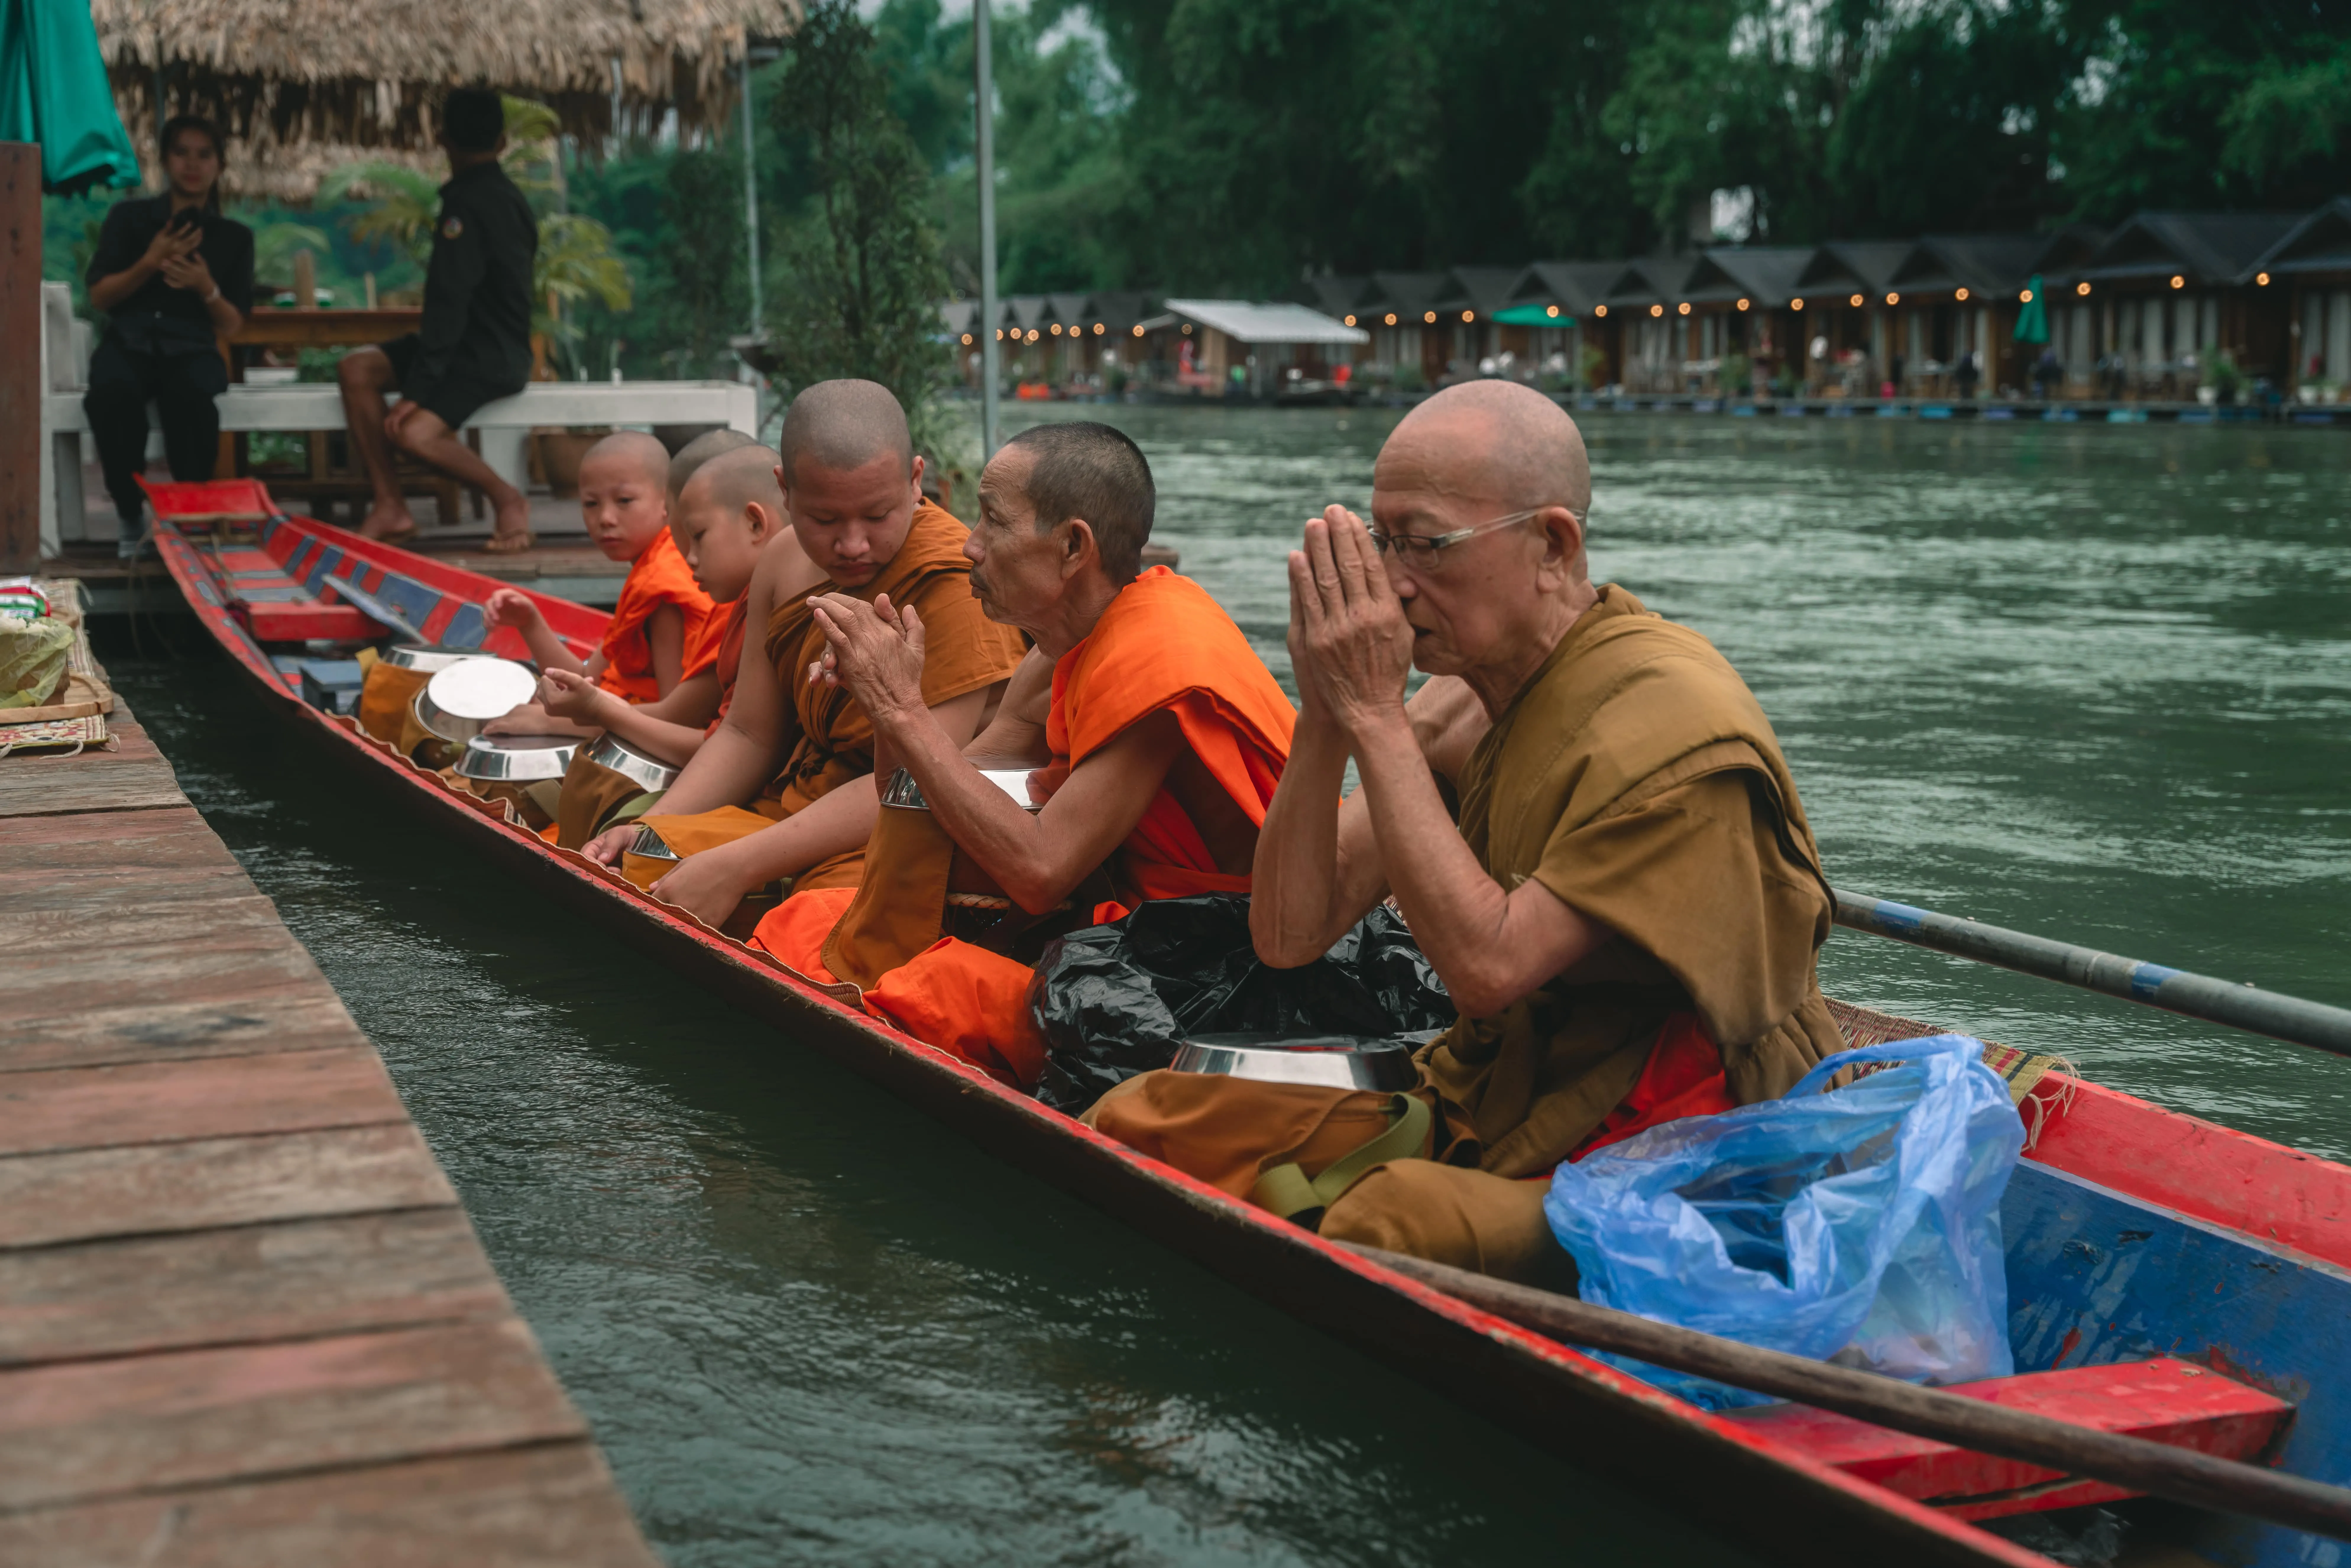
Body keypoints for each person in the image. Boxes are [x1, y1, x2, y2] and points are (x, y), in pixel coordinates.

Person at [1085, 381, 1845, 1284]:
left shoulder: (1666, 723)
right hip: (1501, 1089)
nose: (1395, 581)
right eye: (1381, 541)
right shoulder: (1463, 698)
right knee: (1143, 1114)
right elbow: (1289, 933)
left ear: (1551, 545)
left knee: (1386, 1221)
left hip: (1685, 1143)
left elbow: (1486, 971)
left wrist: (1374, 713)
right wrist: (1328, 709)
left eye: (1427, 545)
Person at [752, 421, 1295, 1088]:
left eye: (992, 522)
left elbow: (1040, 871)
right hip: (1116, 936)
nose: (970, 547)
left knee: (931, 989)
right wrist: (890, 707)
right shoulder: (1058, 648)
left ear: (1073, 547)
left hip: (1209, 973)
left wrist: (901, 708)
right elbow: (937, 799)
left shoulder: (1159, 654)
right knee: (805, 918)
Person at [580, 380, 1027, 926]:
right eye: (824, 519)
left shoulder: (953, 584)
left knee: (805, 925)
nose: (853, 544)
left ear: (915, 480)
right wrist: (656, 821)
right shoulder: (781, 559)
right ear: (785, 491)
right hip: (800, 803)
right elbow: (750, 734)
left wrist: (740, 865)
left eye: (878, 514)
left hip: (904, 828)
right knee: (634, 857)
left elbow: (917, 784)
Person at [540, 443, 816, 848]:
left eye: (699, 539)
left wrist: (587, 713)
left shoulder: (705, 599)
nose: (688, 560)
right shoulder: (741, 604)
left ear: (757, 523)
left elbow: (702, 726)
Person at [335, 87, 537, 549]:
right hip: (462, 346)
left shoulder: (472, 205)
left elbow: (450, 303)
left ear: (442, 139)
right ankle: (390, 505)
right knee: (357, 368)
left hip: (488, 355)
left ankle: (508, 500)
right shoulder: (508, 199)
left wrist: (417, 392)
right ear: (503, 142)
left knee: (413, 433)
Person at [81, 115, 255, 558]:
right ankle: (128, 514)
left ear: (219, 165)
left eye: (204, 155)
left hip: (193, 346)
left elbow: (233, 324)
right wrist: (151, 260)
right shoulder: (129, 219)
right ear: (164, 160)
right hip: (130, 342)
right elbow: (100, 296)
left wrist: (205, 287)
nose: (192, 165)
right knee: (110, 394)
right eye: (182, 153)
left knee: (195, 397)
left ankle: (189, 518)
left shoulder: (234, 238)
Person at [483, 431, 720, 736]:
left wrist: (551, 723)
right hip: (621, 716)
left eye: (624, 501)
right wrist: (529, 622)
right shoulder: (645, 574)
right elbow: (584, 678)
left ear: (668, 502)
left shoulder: (664, 590)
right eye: (591, 504)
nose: (605, 518)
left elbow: (672, 718)